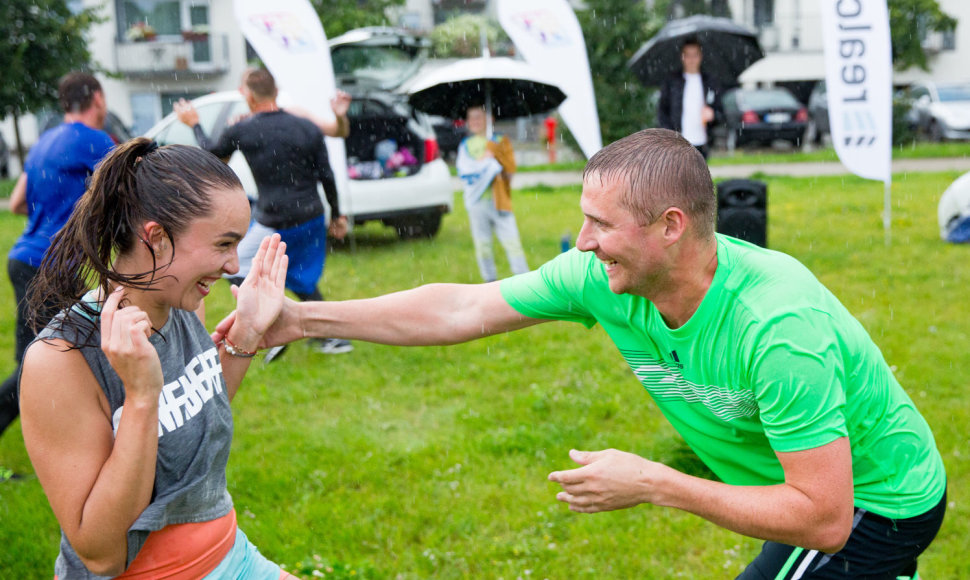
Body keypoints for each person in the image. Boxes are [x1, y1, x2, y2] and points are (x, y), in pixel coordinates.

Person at [218, 128, 948, 578]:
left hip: (878, 505)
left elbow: (823, 517)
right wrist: (303, 319)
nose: (584, 240)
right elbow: (464, 306)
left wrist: (658, 482)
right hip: (816, 496)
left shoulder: (776, 327)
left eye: (601, 223)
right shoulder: (604, 279)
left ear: (670, 227)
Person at [19, 137, 297, 578]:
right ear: (157, 238)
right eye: (224, 244)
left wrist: (246, 332)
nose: (232, 265)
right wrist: (141, 397)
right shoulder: (60, 360)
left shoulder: (182, 305)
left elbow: (197, 409)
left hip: (231, 557)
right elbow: (101, 553)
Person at [174, 67, 352, 359]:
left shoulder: (244, 129)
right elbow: (327, 175)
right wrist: (338, 215)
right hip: (310, 216)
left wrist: (194, 123)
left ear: (249, 95)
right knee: (301, 277)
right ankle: (332, 338)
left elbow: (211, 154)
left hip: (277, 218)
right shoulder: (305, 126)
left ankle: (270, 322)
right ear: (276, 91)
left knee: (236, 265)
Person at [0, 72, 115, 453]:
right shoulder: (95, 140)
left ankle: (95, 432)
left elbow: (17, 202)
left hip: (27, 259)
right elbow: (131, 190)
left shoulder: (43, 142)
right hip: (50, 268)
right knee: (39, 365)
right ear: (97, 98)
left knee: (89, 339)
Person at [455, 105, 530, 282]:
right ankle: (489, 282)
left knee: (512, 242)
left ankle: (524, 281)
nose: (475, 122)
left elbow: (509, 170)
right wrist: (484, 162)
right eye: (471, 118)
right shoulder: (465, 145)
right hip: (477, 203)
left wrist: (496, 156)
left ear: (490, 119)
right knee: (483, 245)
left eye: (479, 117)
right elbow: (466, 171)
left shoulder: (499, 141)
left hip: (500, 201)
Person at [657, 37, 722, 159]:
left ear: (701, 56)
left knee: (700, 177)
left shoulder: (710, 82)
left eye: (695, 55)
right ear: (682, 57)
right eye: (687, 55)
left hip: (702, 142)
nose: (691, 59)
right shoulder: (672, 81)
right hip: (678, 143)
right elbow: (662, 111)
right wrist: (670, 135)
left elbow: (720, 113)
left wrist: (713, 115)